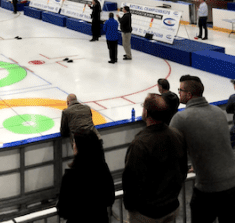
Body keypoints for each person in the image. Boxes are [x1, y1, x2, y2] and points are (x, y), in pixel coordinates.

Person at [170, 76, 235, 223]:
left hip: (209, 187)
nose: (178, 93)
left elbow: (171, 152)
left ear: (189, 94)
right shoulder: (218, 111)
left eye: (180, 90)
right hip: (232, 184)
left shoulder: (181, 119)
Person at [122, 93, 188, 223]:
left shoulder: (140, 144)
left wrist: (131, 207)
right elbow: (183, 168)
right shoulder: (177, 135)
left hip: (147, 213)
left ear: (146, 113)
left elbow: (131, 180)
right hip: (171, 206)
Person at [54, 129, 115, 223]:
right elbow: (109, 198)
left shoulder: (71, 176)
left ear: (79, 148)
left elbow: (63, 210)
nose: (73, 146)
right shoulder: (102, 168)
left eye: (74, 143)